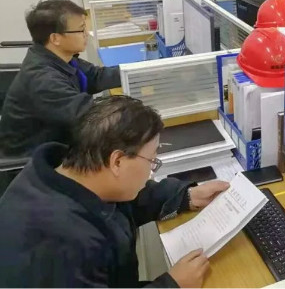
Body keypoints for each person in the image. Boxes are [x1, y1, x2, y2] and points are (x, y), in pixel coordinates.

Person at [0, 96, 230, 287]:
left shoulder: (71, 172)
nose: (151, 170)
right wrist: (172, 285)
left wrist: (185, 197)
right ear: (117, 161)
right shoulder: (62, 243)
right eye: (151, 160)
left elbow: (124, 200)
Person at [0, 0, 121, 158]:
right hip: (35, 162)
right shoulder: (43, 79)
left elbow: (96, 76)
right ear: (55, 38)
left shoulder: (59, 58)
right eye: (81, 30)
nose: (86, 34)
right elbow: (90, 116)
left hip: (60, 142)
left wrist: (139, 72)